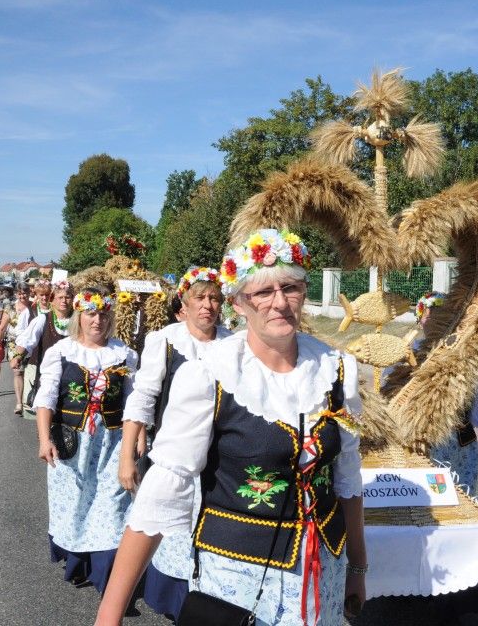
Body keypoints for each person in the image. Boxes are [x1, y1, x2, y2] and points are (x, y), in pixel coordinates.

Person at [98, 229, 366, 626]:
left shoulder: (335, 369)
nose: (279, 302)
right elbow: (163, 489)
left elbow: (347, 475)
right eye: (263, 293)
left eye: (290, 288)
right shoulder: (211, 374)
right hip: (235, 577)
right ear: (240, 303)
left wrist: (358, 566)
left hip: (321, 573)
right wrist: (110, 613)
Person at [119, 266, 232, 621]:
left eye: (214, 298)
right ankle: (172, 600)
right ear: (184, 302)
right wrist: (127, 455)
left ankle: (207, 599)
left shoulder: (233, 344)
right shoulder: (166, 340)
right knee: (169, 528)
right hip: (173, 455)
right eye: (200, 297)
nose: (208, 305)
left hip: (221, 458)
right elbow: (143, 397)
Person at [32, 289, 138, 592]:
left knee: (112, 504)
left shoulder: (125, 354)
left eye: (103, 314)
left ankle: (107, 578)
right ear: (80, 317)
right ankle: (78, 563)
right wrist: (43, 439)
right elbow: (47, 398)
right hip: (72, 443)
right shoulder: (62, 352)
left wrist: (137, 439)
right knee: (76, 505)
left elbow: (134, 401)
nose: (98, 320)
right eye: (91, 313)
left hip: (113, 443)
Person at [413, 292, 478, 496]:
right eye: (429, 315)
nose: (434, 320)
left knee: (463, 501)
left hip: (461, 447)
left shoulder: (463, 356)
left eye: (441, 315)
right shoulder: (410, 355)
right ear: (420, 321)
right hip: (426, 446)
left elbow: (477, 408)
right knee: (434, 502)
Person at [14, 282, 74, 419]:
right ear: (53, 299)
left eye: (68, 297)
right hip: (46, 373)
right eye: (60, 297)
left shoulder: (78, 319)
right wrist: (17, 355)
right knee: (46, 411)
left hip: (71, 372)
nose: (64, 301)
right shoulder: (42, 319)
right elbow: (27, 340)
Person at [0, 284, 34, 415]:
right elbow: (1, 328)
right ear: (17, 294)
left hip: (33, 344)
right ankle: (19, 403)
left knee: (33, 373)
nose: (23, 296)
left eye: (25, 293)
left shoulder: (35, 306)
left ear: (30, 293)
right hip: (14, 344)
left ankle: (30, 400)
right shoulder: (10, 308)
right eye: (20, 293)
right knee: (18, 372)